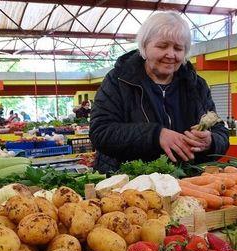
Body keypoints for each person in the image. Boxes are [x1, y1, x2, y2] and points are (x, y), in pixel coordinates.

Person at [89, 12, 229, 173]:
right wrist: (155, 135)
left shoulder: (196, 85)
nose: (171, 55)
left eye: (178, 48)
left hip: (186, 183)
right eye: (162, 46)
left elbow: (220, 131)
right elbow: (100, 132)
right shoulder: (118, 81)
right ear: (145, 46)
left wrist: (210, 142)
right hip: (127, 183)